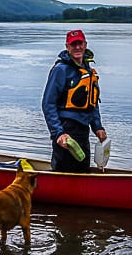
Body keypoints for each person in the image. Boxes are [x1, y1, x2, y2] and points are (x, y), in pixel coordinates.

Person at [42, 29, 107, 172]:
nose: (77, 47)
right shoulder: (60, 70)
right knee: (63, 172)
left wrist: (97, 127)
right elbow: (48, 104)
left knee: (82, 169)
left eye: (80, 44)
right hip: (66, 130)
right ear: (67, 47)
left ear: (85, 44)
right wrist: (58, 133)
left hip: (83, 131)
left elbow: (92, 102)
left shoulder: (88, 70)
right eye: (73, 45)